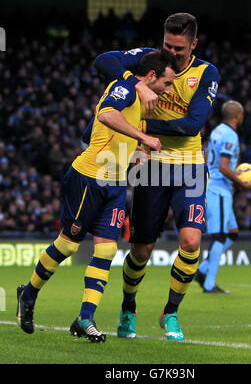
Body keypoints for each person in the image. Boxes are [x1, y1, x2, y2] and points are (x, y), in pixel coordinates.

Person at [16, 49, 177, 343]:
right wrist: (143, 138)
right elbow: (105, 114)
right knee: (67, 245)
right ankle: (28, 293)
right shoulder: (126, 87)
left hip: (114, 184)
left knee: (106, 251)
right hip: (88, 178)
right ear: (151, 76)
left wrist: (139, 154)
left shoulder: (143, 103)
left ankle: (85, 317)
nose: (168, 91)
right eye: (167, 84)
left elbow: (123, 141)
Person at [93, 13, 220, 341]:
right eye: (168, 45)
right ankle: (128, 307)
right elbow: (102, 60)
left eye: (179, 48)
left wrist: (141, 128)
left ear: (193, 44)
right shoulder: (149, 60)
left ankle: (172, 311)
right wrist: (134, 82)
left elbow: (192, 125)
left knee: (191, 240)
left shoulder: (206, 73)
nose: (173, 53)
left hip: (190, 165)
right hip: (151, 167)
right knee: (141, 250)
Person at [195, 100, 251, 293]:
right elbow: (223, 166)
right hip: (219, 190)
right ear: (237, 115)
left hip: (217, 187)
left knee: (232, 233)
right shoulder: (230, 135)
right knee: (220, 236)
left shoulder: (217, 131)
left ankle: (203, 270)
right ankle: (209, 284)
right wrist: (242, 182)